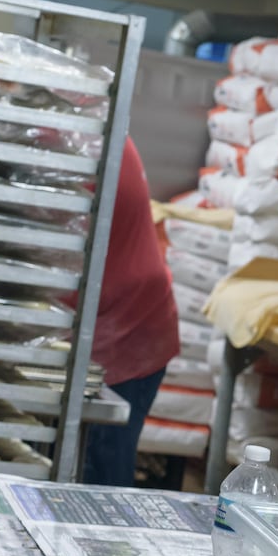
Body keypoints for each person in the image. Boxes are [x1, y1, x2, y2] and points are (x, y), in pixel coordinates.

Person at [78, 137, 180, 486]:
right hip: (112, 319)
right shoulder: (87, 133)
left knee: (97, 481)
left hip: (127, 329)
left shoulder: (80, 142)